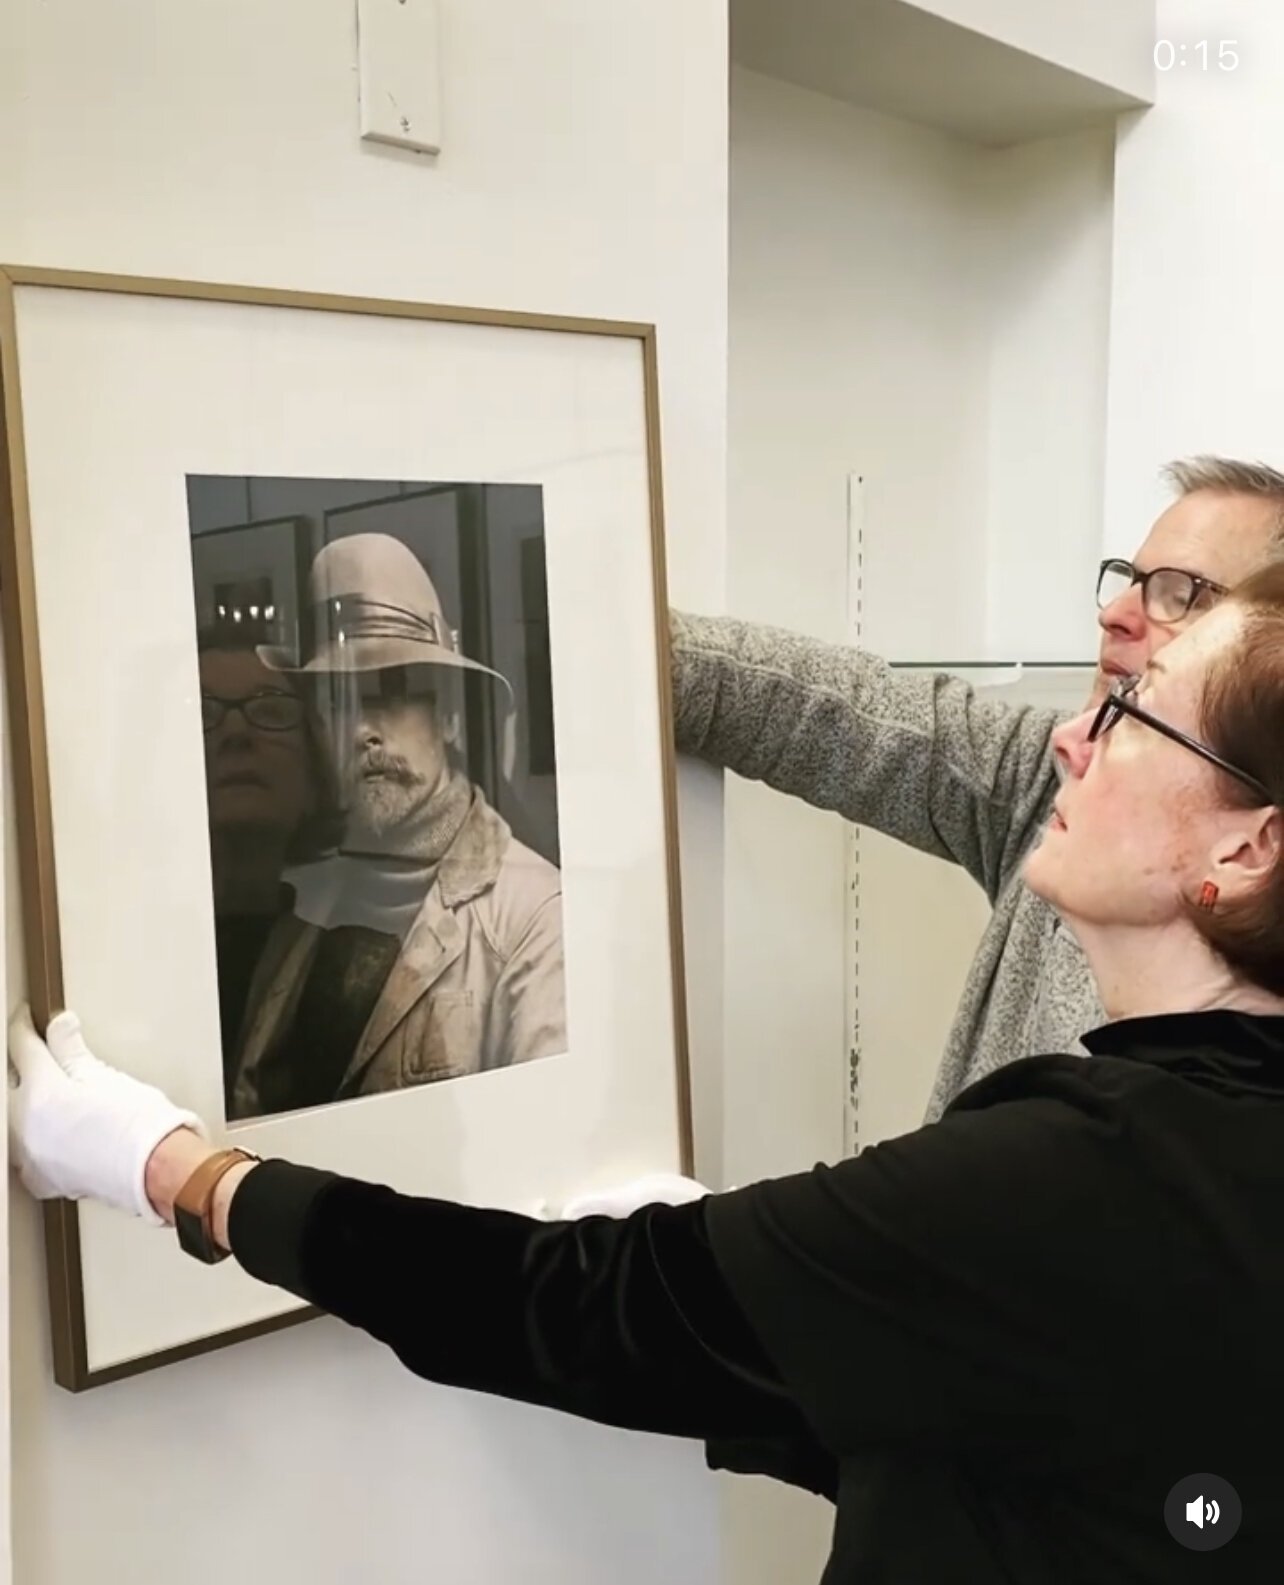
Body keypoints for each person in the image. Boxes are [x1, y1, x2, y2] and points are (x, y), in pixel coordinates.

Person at [13, 562, 1284, 1581]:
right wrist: (775, 1321)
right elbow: (1040, 1439)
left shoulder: (1091, 1173)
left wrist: (182, 1170)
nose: (1069, 738)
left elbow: (563, 1309)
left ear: (1252, 840)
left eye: (1129, 710)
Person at [670, 455, 1284, 1121]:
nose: (1117, 614)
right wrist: (611, 634)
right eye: (1129, 581)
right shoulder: (1042, 774)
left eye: (1179, 592)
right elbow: (835, 712)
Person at [223, 531, 567, 1119]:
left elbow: (541, 1138)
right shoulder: (307, 901)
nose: (362, 730)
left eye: (390, 694)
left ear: (451, 717)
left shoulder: (533, 914)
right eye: (339, 702)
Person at [198, 631, 343, 1104]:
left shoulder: (352, 968)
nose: (237, 734)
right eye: (202, 713)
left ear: (312, 773)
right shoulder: (113, 959)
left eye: (271, 710)